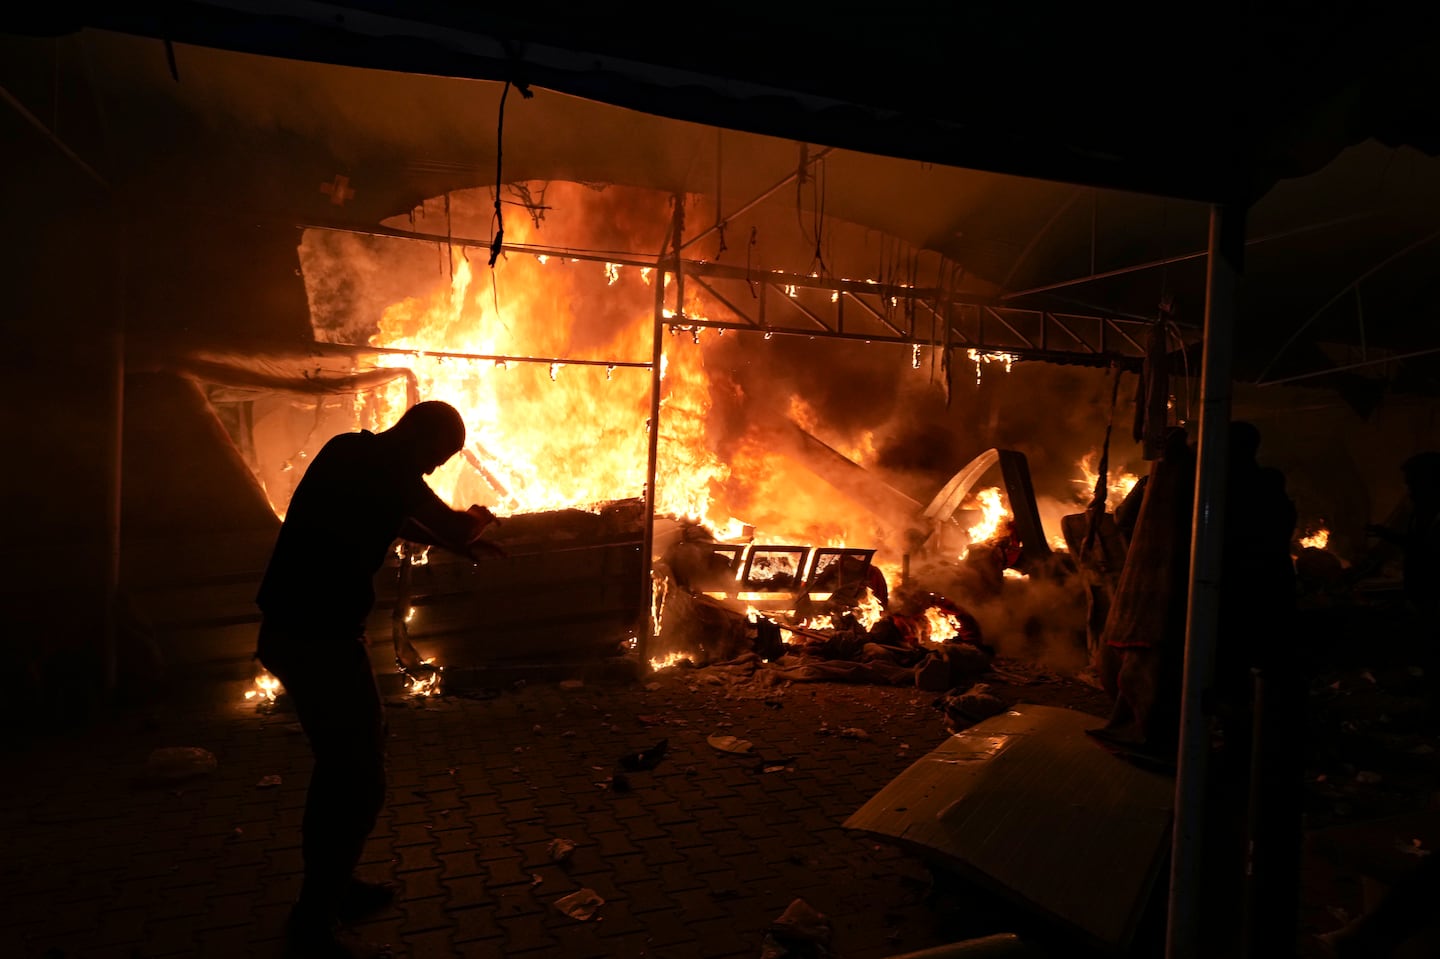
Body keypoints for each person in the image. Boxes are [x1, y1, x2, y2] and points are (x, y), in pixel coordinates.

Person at [254, 401, 498, 958]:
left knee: (343, 768)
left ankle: (332, 890)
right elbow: (451, 519)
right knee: (358, 779)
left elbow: (396, 518)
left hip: (298, 632)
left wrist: (454, 541)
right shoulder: (392, 468)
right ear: (420, 438)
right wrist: (477, 519)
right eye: (438, 457)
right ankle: (313, 920)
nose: (435, 470)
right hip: (318, 641)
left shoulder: (352, 452)